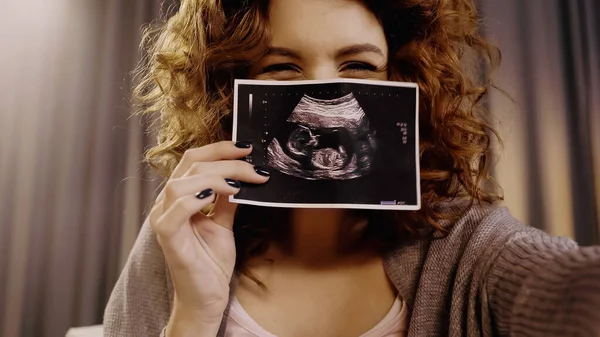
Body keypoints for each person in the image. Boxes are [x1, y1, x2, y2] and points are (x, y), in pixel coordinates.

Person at [103, 0, 600, 336]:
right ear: (234, 90)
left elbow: (566, 289)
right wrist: (192, 314)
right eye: (281, 67)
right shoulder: (181, 236)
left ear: (403, 78)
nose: (324, 97)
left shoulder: (469, 243)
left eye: (358, 66)